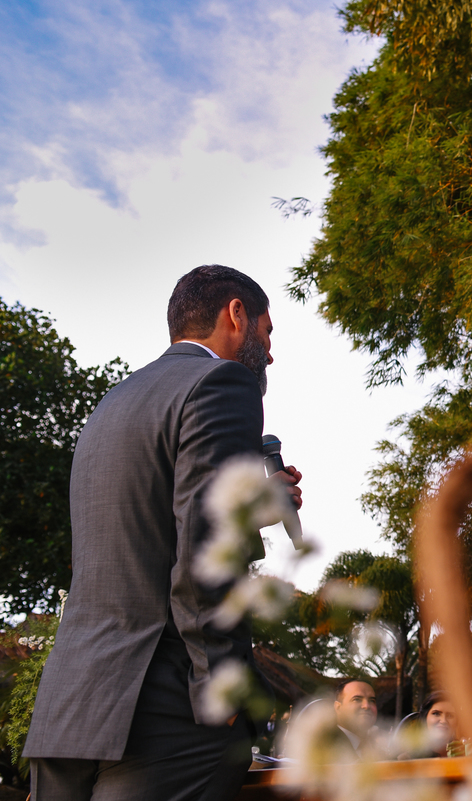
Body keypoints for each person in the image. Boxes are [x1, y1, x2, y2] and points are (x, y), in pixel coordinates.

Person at [23, 265, 302, 800]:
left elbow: (149, 528)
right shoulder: (223, 383)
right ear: (236, 314)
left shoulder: (112, 402)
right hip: (164, 705)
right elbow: (205, 552)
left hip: (71, 705)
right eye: (268, 332)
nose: (269, 353)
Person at [332, 679, 379, 760]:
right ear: (338, 707)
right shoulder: (323, 748)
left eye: (372, 701)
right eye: (357, 699)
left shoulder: (381, 747)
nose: (366, 706)